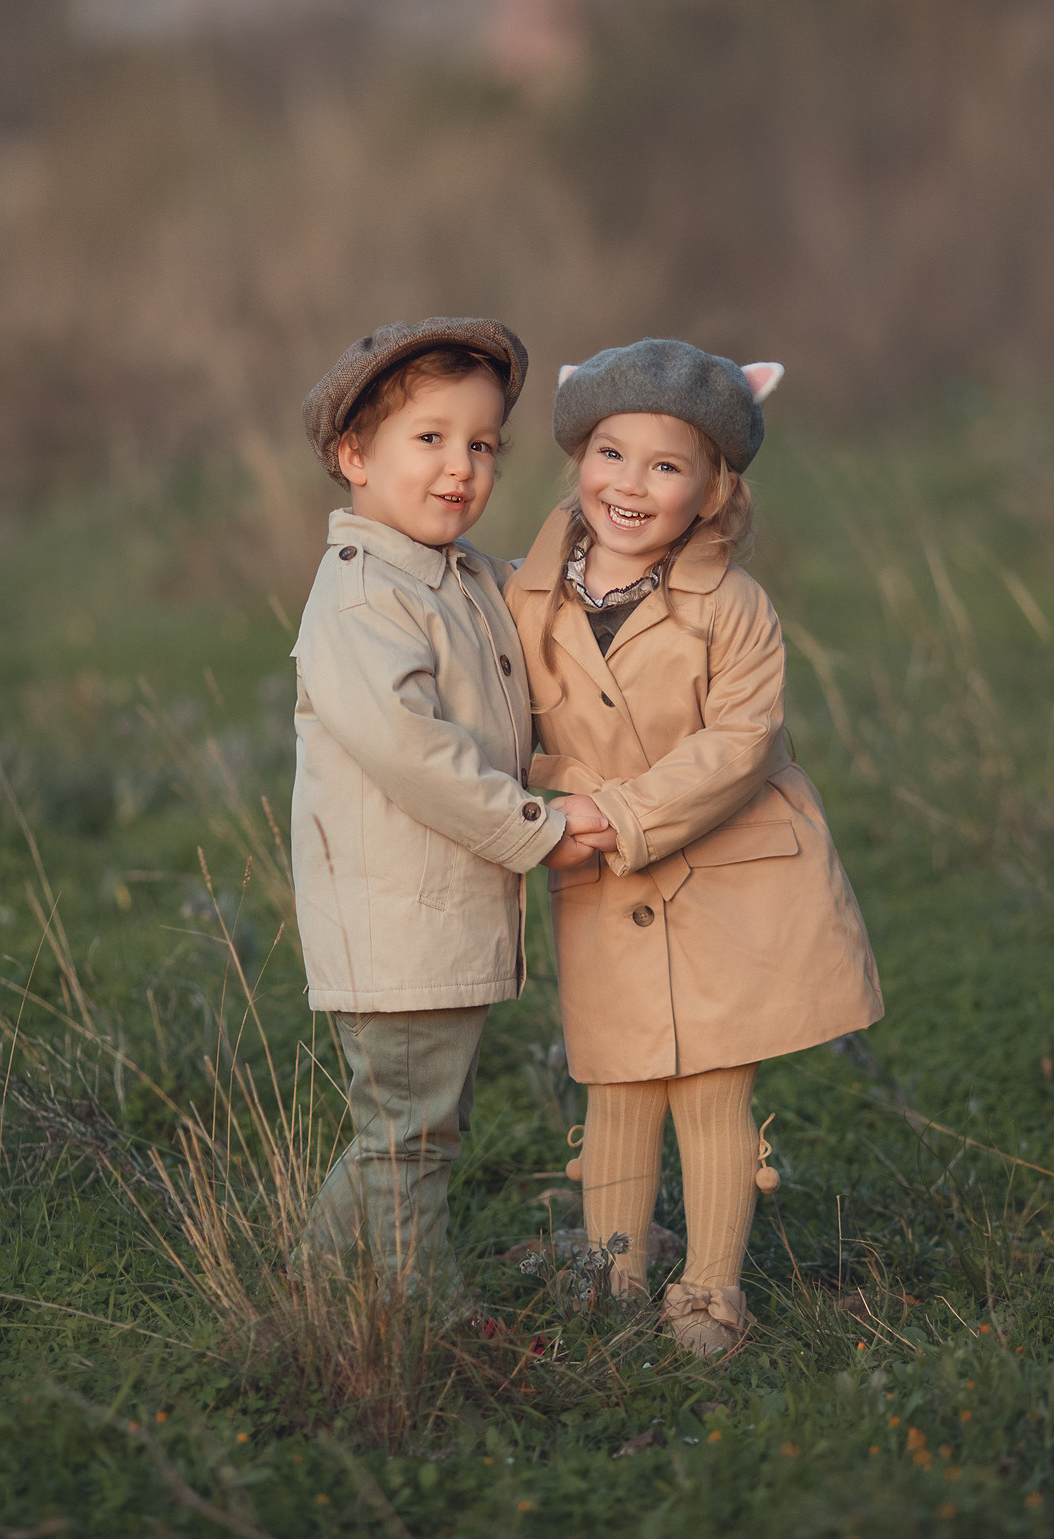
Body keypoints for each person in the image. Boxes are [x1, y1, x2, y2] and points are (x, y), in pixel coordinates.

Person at [504, 338, 883, 1355]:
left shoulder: (735, 610)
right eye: (610, 454)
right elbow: (507, 730)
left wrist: (620, 814)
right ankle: (612, 1272)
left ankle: (712, 1291)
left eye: (665, 467)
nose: (629, 485)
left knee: (714, 1084)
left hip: (723, 875)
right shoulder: (525, 598)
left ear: (712, 492)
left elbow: (741, 745)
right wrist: (554, 800)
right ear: (579, 456)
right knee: (619, 1078)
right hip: (597, 876)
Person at [290, 316, 607, 1293]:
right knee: (409, 1137)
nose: (459, 468)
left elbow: (539, 624)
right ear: (355, 455)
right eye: (428, 439)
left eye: (480, 445)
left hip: (438, 923)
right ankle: (416, 1317)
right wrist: (539, 829)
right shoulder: (361, 597)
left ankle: (317, 1281)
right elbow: (416, 752)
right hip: (396, 929)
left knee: (413, 1127)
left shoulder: (462, 573)